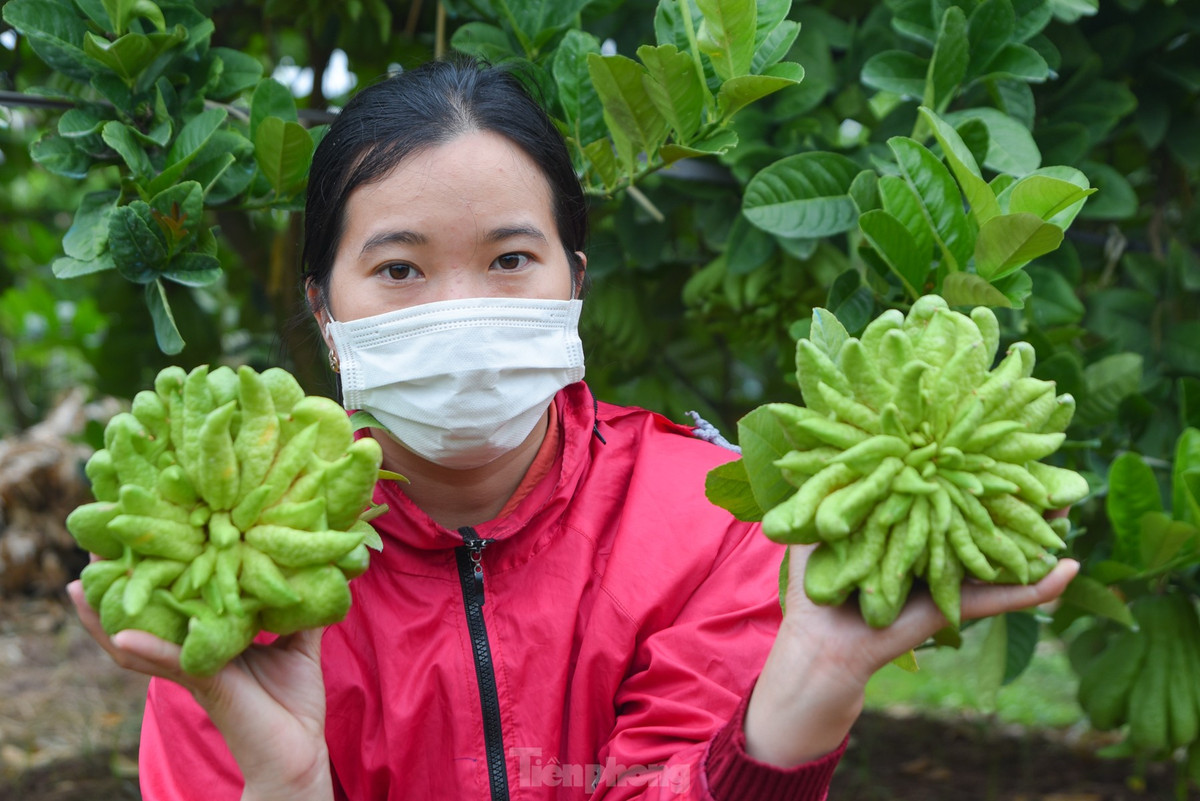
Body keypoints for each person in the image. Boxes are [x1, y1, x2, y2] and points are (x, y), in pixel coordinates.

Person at [68, 58, 1078, 800]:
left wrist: (812, 684)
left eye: (510, 260)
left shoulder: (712, 521)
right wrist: (286, 782)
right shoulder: (235, 593)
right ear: (325, 313)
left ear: (574, 287)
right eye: (400, 269)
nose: (459, 305)